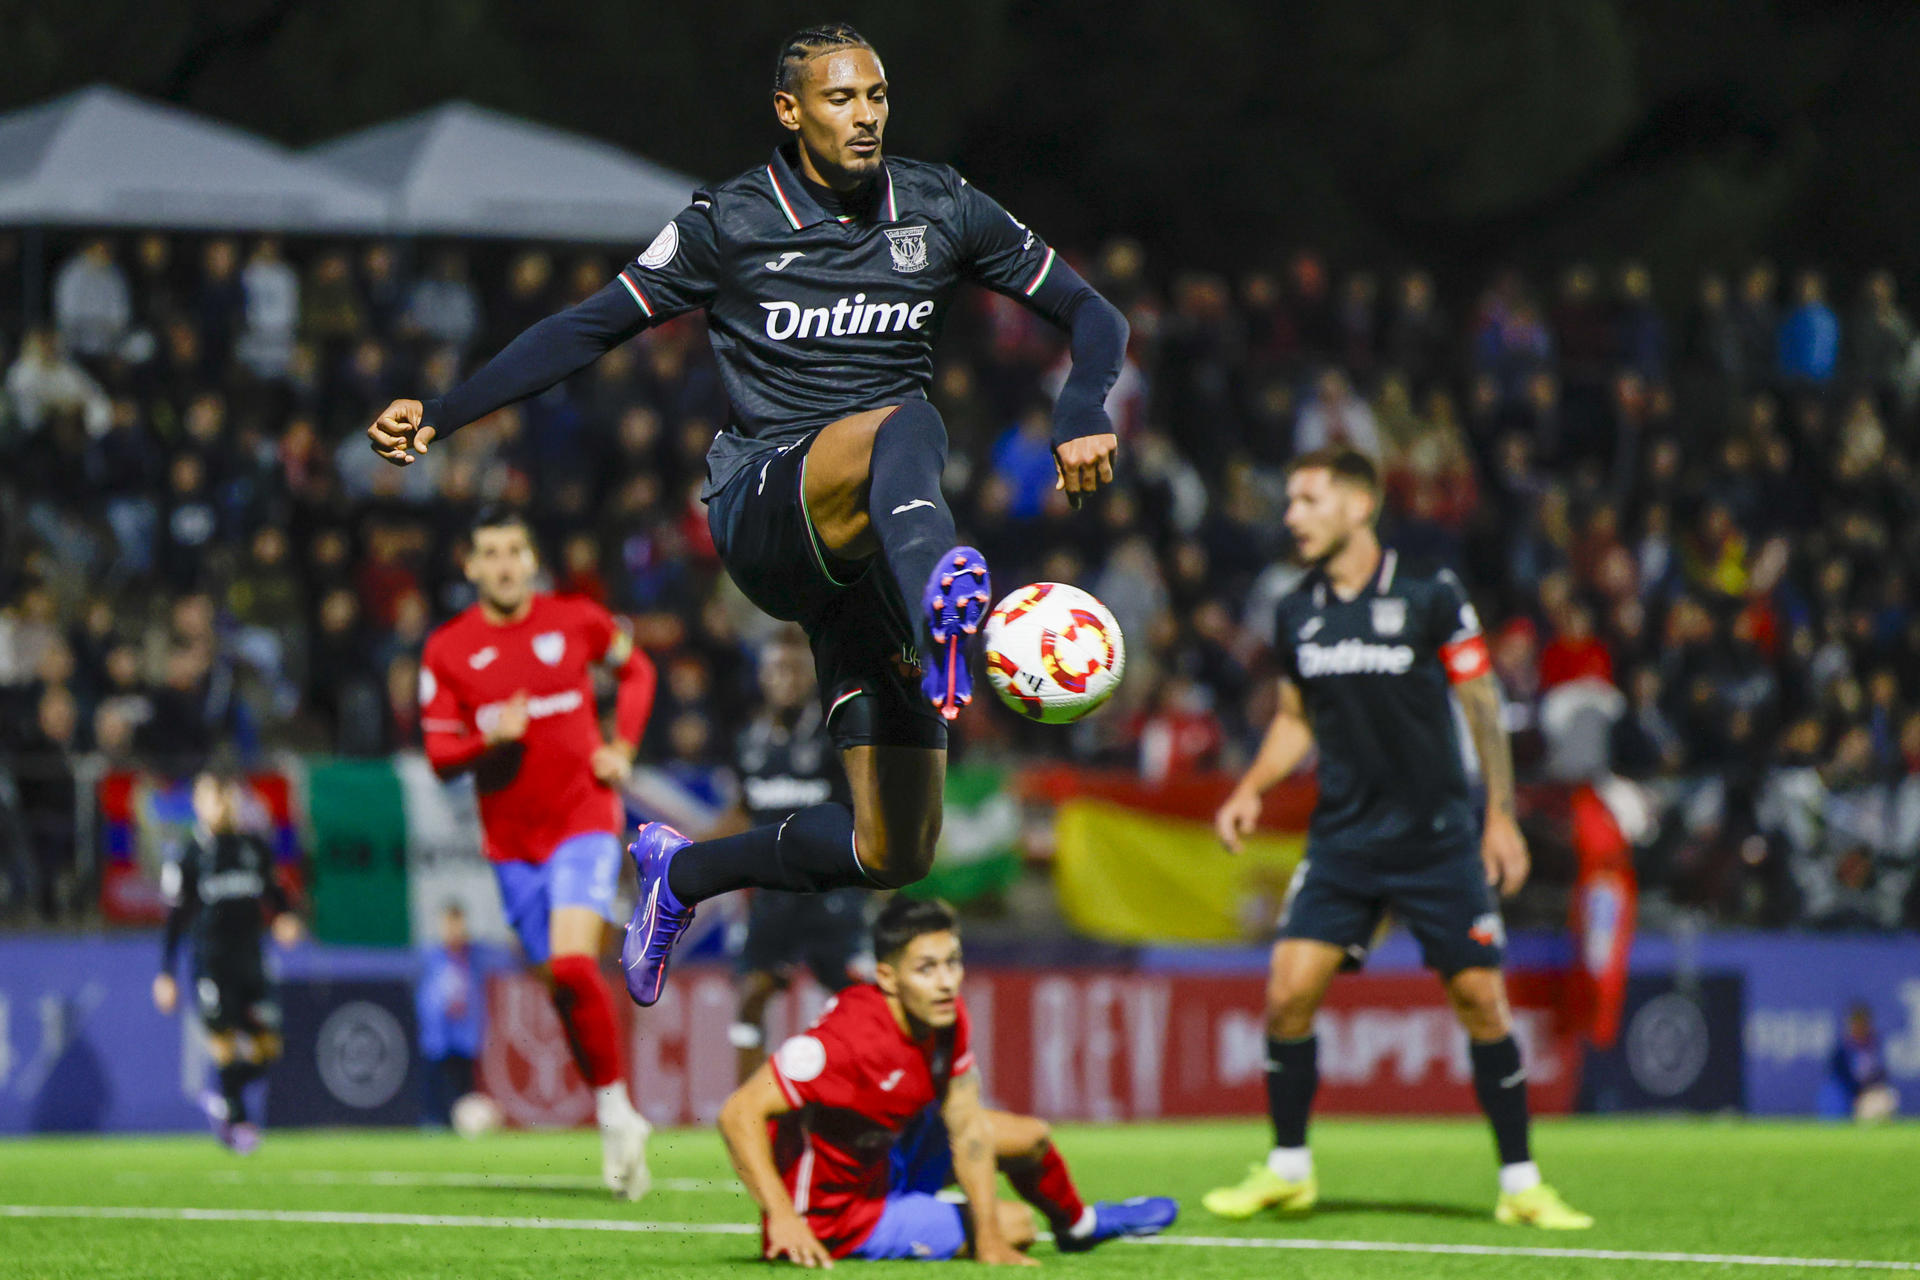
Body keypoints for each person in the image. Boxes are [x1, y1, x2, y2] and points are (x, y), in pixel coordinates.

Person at [366, 22, 1127, 1009]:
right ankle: (949, 593)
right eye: (842, 99)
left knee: (893, 847)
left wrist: (1082, 407)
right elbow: (590, 325)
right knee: (905, 414)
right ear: (791, 110)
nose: (866, 117)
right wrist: (443, 411)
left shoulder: (938, 203)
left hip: (873, 554)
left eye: (878, 97)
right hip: (768, 504)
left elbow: (1092, 312)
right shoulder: (729, 221)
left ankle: (684, 874)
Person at [1203, 447, 1593, 1230]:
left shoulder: (1430, 592)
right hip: (1345, 838)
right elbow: (1293, 718)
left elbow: (1480, 700)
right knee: (1287, 994)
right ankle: (1288, 1170)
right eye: (1290, 503)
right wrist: (1251, 787)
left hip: (1438, 836)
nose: (1292, 517)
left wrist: (1499, 815)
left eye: (1308, 500)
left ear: (1360, 504)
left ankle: (1522, 1183)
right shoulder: (1296, 609)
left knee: (1481, 1000)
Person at [717, 897, 1177, 1264]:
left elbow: (967, 1126)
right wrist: (781, 1217)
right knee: (1016, 1224)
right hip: (838, 1216)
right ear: (888, 977)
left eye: (952, 963)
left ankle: (1077, 1227)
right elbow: (739, 1113)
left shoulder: (946, 1018)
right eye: (926, 968)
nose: (945, 982)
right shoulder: (843, 1043)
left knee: (1032, 1139)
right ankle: (914, 1219)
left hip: (886, 1154)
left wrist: (987, 1241)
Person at [418, 505, 658, 1199]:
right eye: (488, 552)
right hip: (511, 846)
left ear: (531, 559)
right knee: (560, 984)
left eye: (513, 550)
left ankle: (617, 1111)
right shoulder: (448, 650)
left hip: (583, 819)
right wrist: (492, 739)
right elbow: (438, 756)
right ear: (469, 565)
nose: (502, 563)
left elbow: (637, 672)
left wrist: (623, 747)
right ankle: (613, 1105)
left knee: (573, 961)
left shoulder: (577, 620)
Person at [724, 628, 873, 1084]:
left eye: (793, 669)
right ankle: (748, 1106)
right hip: (773, 895)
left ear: (809, 676)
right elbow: (743, 811)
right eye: (775, 669)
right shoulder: (747, 740)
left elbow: (866, 808)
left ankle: (884, 1097)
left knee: (863, 999)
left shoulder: (836, 736)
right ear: (762, 676)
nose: (783, 679)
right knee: (752, 993)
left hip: (831, 893)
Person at [152, 766, 303, 1153]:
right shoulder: (188, 855)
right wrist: (166, 974)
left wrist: (285, 917)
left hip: (251, 959)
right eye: (209, 797)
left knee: (270, 1046)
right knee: (223, 1043)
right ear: (198, 805)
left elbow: (275, 893)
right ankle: (237, 1123)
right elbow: (175, 919)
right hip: (212, 962)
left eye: (224, 796)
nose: (218, 805)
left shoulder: (253, 847)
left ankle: (226, 1102)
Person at [416, 902, 487, 1127]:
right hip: (438, 1034)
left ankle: (464, 1124)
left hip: (465, 1033)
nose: (453, 930)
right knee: (435, 1084)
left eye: (457, 924)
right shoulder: (431, 956)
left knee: (464, 1086)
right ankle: (434, 1123)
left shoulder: (474, 956)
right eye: (449, 924)